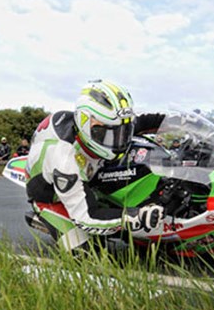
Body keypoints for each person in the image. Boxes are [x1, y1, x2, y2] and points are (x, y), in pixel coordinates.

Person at [25, 79, 165, 251]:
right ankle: (46, 216)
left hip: (87, 172)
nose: (119, 140)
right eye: (110, 134)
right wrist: (133, 216)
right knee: (88, 253)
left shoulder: (104, 123)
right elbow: (86, 217)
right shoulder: (64, 160)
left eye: (123, 131)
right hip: (52, 196)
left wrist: (176, 122)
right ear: (87, 125)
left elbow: (140, 122)